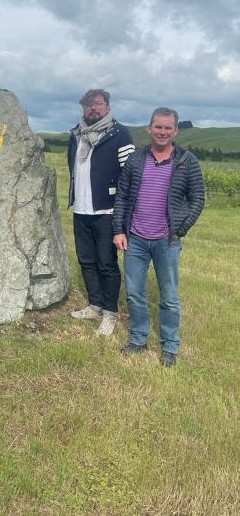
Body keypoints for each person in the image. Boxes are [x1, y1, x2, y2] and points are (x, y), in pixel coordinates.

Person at [113, 107, 205, 366]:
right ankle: (139, 338)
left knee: (170, 296)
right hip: (136, 238)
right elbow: (122, 196)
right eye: (158, 127)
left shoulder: (187, 161)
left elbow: (197, 199)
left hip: (167, 240)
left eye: (168, 127)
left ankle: (170, 345)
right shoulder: (136, 159)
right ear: (149, 128)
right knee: (133, 292)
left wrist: (180, 228)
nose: (162, 132)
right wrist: (119, 230)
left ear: (175, 131)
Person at [68, 89, 134, 335]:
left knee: (106, 263)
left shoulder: (119, 134)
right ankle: (95, 305)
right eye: (87, 105)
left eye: (97, 104)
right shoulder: (76, 135)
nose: (92, 109)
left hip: (107, 212)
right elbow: (72, 168)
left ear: (107, 106)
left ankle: (110, 312)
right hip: (81, 210)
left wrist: (123, 214)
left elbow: (130, 175)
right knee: (86, 260)